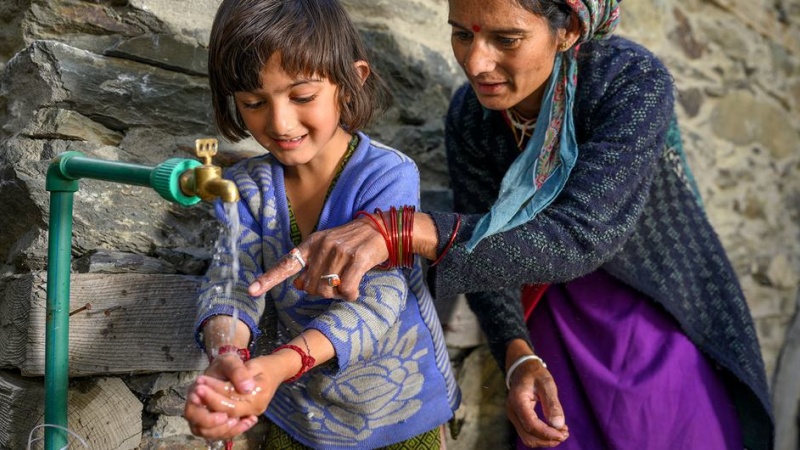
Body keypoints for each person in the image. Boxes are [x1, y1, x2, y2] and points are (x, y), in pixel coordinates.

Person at [244, 0, 776, 449]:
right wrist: (518, 354)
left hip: (647, 307)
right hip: (543, 306)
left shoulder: (628, 81)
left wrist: (404, 231)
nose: (477, 63)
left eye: (507, 38)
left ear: (567, 30)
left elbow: (582, 234)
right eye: (461, 34)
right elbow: (491, 255)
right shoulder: (473, 116)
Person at [182, 0, 461, 449]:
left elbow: (378, 301)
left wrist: (277, 366)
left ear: (351, 82)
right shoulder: (245, 188)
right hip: (297, 411)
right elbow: (232, 284)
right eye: (253, 102)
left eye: (302, 96)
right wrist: (229, 357)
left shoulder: (386, 176)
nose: (280, 122)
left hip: (399, 412)